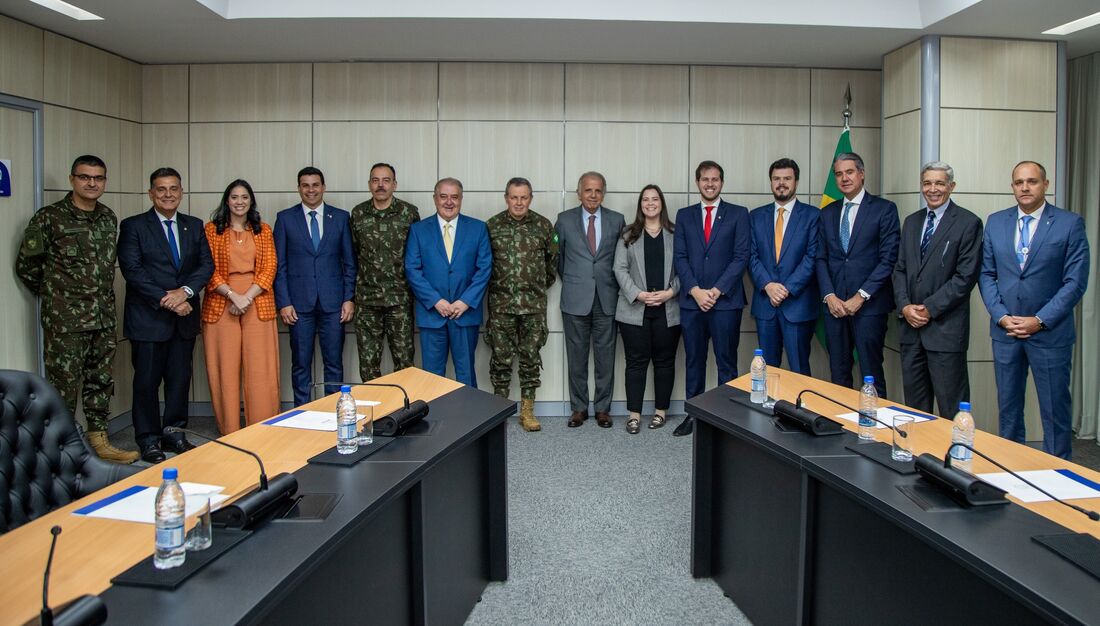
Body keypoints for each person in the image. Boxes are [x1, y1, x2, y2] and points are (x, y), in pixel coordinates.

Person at [16, 155, 137, 463]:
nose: (92, 183)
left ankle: (99, 440)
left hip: (103, 317)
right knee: (63, 389)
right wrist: (60, 298)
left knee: (100, 381)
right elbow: (28, 267)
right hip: (66, 322)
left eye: (98, 178)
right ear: (73, 180)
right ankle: (61, 449)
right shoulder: (49, 218)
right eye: (85, 177)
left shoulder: (108, 217)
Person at [979, 161, 1089, 459]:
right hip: (1006, 332)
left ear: (1046, 185)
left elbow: (1075, 282)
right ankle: (1012, 472)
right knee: (1009, 410)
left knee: (1055, 413)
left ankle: (1059, 477)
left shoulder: (1069, 223)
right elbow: (986, 274)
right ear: (1012, 186)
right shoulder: (996, 222)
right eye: (1018, 182)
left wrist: (1040, 320)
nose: (1025, 188)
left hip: (1050, 334)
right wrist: (1001, 316)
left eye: (1032, 181)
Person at [117, 167, 214, 463]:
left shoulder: (193, 225)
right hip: (148, 319)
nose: (168, 194)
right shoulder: (134, 226)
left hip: (183, 319)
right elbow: (132, 270)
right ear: (151, 193)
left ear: (181, 192)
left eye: (173, 189)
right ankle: (148, 439)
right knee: (146, 382)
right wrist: (167, 299)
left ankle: (174, 432)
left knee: (179, 379)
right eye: (161, 189)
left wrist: (185, 292)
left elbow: (205, 266)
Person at [892, 162, 983, 416]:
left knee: (951, 408)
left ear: (951, 186)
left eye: (939, 183)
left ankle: (953, 457)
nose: (932, 189)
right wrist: (905, 306)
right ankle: (919, 455)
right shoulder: (912, 222)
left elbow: (965, 277)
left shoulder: (968, 223)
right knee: (915, 409)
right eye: (927, 183)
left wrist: (929, 309)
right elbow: (899, 269)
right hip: (911, 330)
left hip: (945, 332)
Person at [672, 160, 750, 436]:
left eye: (715, 179)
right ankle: (693, 416)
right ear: (697, 182)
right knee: (694, 361)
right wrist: (694, 290)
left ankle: (724, 420)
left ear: (722, 182)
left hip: (725, 302)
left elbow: (741, 257)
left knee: (726, 361)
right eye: (705, 179)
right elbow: (680, 257)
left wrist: (715, 291)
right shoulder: (684, 215)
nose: (710, 184)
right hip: (692, 302)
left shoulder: (739, 214)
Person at [815, 152, 899, 398]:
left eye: (849, 172)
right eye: (839, 174)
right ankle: (840, 430)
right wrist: (829, 295)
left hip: (869, 307)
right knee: (838, 373)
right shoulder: (827, 213)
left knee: (871, 373)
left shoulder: (884, 210)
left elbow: (888, 260)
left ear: (862, 174)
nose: (844, 178)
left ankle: (875, 429)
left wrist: (861, 296)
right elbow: (820, 257)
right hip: (835, 308)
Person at [201, 179, 280, 434]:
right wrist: (233, 295)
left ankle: (262, 429)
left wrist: (246, 296)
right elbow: (207, 268)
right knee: (225, 368)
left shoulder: (263, 230)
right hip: (221, 302)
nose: (239, 202)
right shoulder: (212, 230)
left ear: (251, 201)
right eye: (234, 197)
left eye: (244, 197)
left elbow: (269, 268)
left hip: (258, 301)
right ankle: (230, 429)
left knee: (261, 369)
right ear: (227, 201)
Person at [273, 167, 356, 406]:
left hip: (333, 303)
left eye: (315, 184)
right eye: (305, 185)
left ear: (323, 187)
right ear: (299, 188)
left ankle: (332, 412)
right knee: (300, 362)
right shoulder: (285, 218)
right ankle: (302, 412)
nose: (311, 190)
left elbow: (349, 262)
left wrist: (348, 297)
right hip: (298, 305)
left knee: (334, 362)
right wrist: (284, 302)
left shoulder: (340, 217)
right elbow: (280, 265)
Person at [486, 177, 558, 432]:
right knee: (501, 360)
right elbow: (484, 265)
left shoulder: (543, 226)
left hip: (533, 307)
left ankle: (527, 411)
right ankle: (499, 409)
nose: (519, 202)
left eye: (524, 197)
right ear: (506, 198)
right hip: (501, 306)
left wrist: (533, 289)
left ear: (530, 198)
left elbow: (552, 265)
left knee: (529, 358)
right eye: (514, 197)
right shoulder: (492, 226)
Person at [404, 177, 492, 387]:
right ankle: (435, 419)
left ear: (461, 199)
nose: (449, 202)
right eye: (443, 196)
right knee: (432, 376)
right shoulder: (418, 230)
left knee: (466, 373)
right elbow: (412, 269)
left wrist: (465, 301)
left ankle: (470, 420)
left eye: (454, 197)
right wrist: (436, 301)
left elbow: (484, 268)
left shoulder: (478, 228)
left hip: (465, 313)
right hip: (432, 313)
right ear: (435, 199)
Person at [555, 172, 626, 429]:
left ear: (603, 193)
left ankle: (603, 409)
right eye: (588, 190)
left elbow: (622, 259)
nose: (593, 195)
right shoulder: (564, 220)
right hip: (575, 298)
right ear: (579, 192)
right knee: (576, 356)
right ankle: (579, 408)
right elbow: (558, 260)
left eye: (597, 191)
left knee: (606, 357)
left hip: (607, 298)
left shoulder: (618, 221)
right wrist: (577, 281)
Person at [614, 185, 680, 434]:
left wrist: (670, 292)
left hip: (668, 307)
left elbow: (685, 268)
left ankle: (661, 412)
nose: (650, 203)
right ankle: (634, 415)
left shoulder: (676, 233)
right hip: (634, 309)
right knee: (635, 362)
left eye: (655, 199)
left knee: (664, 362)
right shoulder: (628, 234)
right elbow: (618, 269)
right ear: (640, 204)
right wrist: (638, 294)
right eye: (645, 199)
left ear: (661, 203)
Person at [748, 158, 819, 376]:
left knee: (799, 369)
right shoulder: (755, 216)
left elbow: (812, 257)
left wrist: (786, 288)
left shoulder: (813, 216)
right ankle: (767, 411)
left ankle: (798, 411)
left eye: (787, 178)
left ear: (796, 182)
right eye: (776, 179)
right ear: (770, 182)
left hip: (797, 305)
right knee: (766, 371)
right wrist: (768, 285)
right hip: (765, 304)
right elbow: (751, 255)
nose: (781, 183)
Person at [351, 163, 420, 381]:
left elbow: (417, 255)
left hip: (399, 299)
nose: (381, 185)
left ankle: (404, 414)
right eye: (375, 180)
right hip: (367, 301)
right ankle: (375, 412)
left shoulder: (409, 213)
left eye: (386, 180)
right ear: (369, 184)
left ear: (394, 184)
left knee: (405, 362)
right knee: (368, 364)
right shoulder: (359, 213)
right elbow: (353, 254)